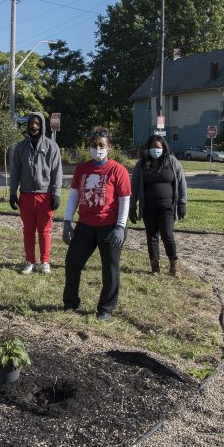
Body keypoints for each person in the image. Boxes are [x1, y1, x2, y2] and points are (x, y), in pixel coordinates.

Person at [62, 127, 131, 321]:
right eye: (94, 145)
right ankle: (70, 301)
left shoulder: (118, 170)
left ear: (109, 147)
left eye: (101, 145)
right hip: (85, 225)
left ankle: (106, 308)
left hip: (109, 226)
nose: (97, 148)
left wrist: (120, 227)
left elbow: (125, 199)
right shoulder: (82, 169)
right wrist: (67, 222)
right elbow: (74, 196)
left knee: (110, 267)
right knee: (72, 262)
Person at [9, 111, 62, 274]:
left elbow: (56, 171)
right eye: (31, 123)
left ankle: (45, 261)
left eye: (37, 124)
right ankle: (29, 261)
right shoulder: (20, 147)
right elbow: (15, 171)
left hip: (45, 195)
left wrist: (56, 193)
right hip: (25, 195)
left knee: (45, 231)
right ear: (27, 125)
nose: (34, 126)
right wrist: (12, 193)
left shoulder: (52, 146)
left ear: (42, 126)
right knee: (28, 230)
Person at [129, 134, 188, 277]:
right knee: (152, 237)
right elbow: (135, 186)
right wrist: (132, 206)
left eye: (158, 147)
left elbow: (181, 183)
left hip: (167, 207)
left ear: (164, 148)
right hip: (148, 207)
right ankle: (155, 267)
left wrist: (182, 203)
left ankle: (174, 266)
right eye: (152, 147)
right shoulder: (141, 165)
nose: (155, 150)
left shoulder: (172, 162)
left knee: (167, 235)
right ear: (148, 149)